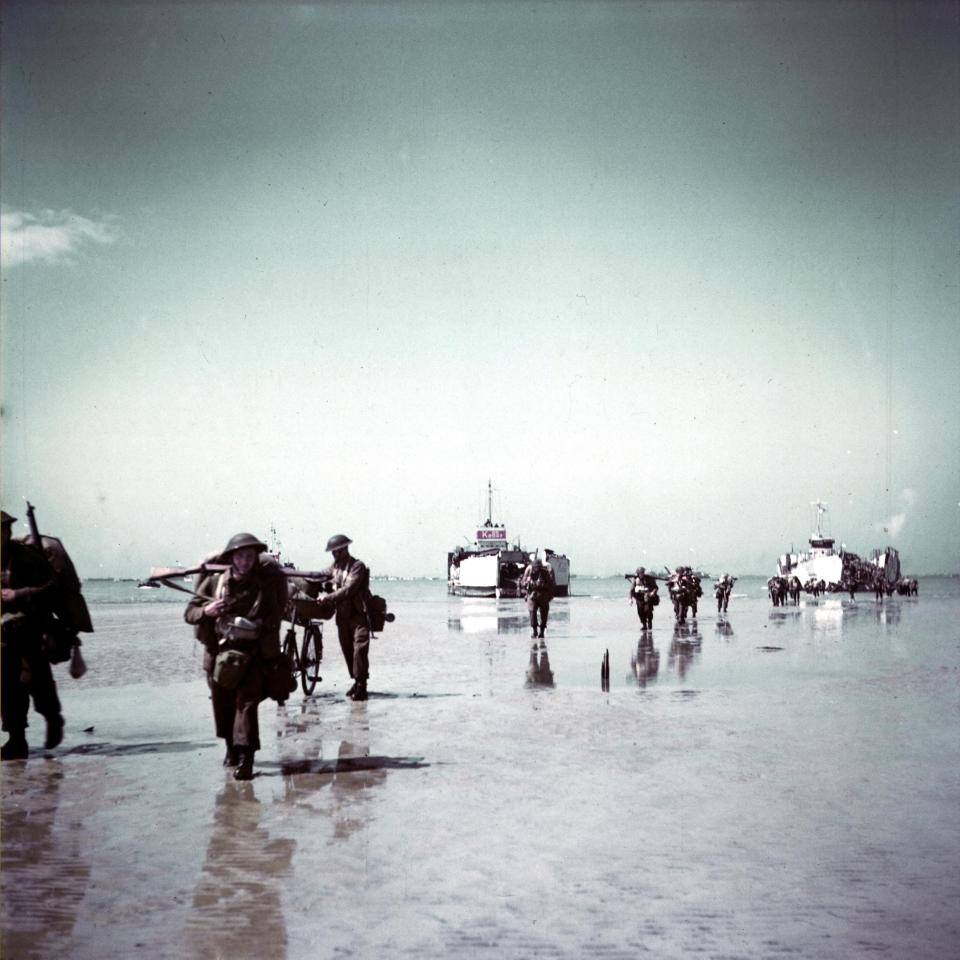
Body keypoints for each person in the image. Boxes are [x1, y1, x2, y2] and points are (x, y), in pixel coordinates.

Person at [184, 532, 286, 780]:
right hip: (219, 655)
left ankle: (246, 759)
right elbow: (189, 613)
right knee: (223, 703)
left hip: (252, 656)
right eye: (240, 556)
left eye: (250, 556)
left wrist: (258, 625)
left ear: (255, 558)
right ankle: (231, 747)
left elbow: (276, 615)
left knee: (247, 704)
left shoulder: (264, 585)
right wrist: (207, 610)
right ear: (231, 558)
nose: (245, 561)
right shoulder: (215, 583)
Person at [1, 510, 63, 760]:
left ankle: (53, 718)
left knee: (36, 682)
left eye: (4, 530)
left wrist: (21, 594)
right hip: (3, 635)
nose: (2, 534)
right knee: (7, 686)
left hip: (30, 629)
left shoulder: (26, 557)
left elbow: (52, 587)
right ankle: (17, 740)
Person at [316, 534, 371, 701]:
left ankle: (362, 686)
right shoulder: (335, 567)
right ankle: (356, 681)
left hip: (358, 616)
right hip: (342, 617)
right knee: (347, 651)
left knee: (359, 650)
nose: (334, 555)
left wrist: (327, 598)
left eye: (337, 552)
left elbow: (348, 589)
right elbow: (320, 574)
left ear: (345, 549)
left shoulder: (357, 566)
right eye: (333, 552)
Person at [519, 556, 554, 639]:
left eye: (538, 566)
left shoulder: (545, 572)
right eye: (535, 566)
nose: (536, 568)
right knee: (532, 612)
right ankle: (534, 631)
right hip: (532, 594)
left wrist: (549, 594)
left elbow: (550, 585)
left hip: (543, 594)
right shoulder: (529, 571)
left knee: (544, 613)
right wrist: (527, 583)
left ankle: (541, 631)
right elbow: (522, 583)